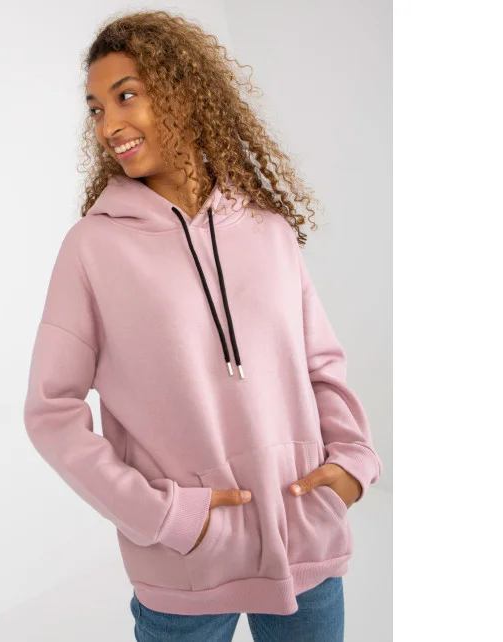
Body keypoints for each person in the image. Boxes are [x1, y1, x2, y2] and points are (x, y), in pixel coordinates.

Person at [23, 9, 382, 642]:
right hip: (184, 563)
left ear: (184, 92)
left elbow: (320, 365)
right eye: (96, 109)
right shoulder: (92, 249)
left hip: (305, 538)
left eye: (126, 96)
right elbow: (50, 411)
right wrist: (165, 516)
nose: (108, 125)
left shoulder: (269, 231)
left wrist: (352, 462)